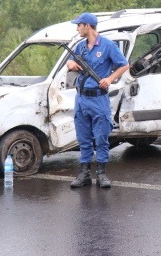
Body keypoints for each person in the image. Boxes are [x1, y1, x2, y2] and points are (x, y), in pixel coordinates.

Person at [67, 12, 130, 189]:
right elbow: (71, 61)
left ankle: (101, 173)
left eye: (79, 25)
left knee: (101, 137)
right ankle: (84, 173)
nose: (77, 28)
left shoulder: (108, 46)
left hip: (98, 99)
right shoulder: (80, 47)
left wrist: (110, 79)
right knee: (83, 138)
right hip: (81, 98)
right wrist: (69, 64)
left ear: (88, 26)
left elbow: (124, 64)